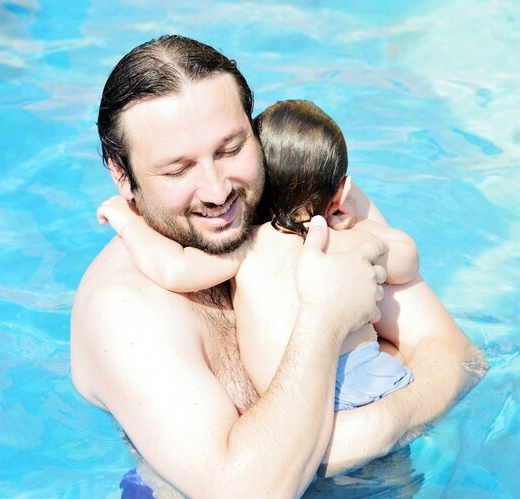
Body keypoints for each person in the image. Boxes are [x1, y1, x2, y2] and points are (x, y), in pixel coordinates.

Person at [70, 35, 485, 497]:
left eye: (230, 149)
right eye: (177, 169)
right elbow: (249, 489)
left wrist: (371, 428)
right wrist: (326, 318)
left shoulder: (298, 203)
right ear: (121, 176)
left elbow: (460, 358)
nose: (216, 191)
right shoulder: (124, 308)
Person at [97, 99, 417, 412]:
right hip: (374, 373)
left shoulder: (248, 248)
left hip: (308, 396)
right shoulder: (346, 240)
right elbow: (407, 260)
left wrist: (127, 222)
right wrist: (351, 226)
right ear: (340, 195)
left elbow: (172, 269)